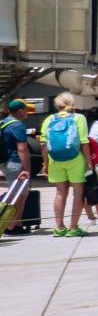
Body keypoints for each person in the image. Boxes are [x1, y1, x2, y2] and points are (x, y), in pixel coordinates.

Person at [43, 92, 89, 238]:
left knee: (60, 193)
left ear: (57, 105)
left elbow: (43, 143)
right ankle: (73, 227)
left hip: (56, 160)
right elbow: (83, 142)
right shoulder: (79, 118)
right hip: (76, 159)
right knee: (78, 193)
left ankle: (59, 227)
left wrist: (46, 163)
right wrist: (89, 162)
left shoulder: (49, 119)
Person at [3, 99, 31, 236]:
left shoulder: (3, 123)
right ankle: (11, 225)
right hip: (15, 163)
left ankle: (15, 224)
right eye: (26, 109)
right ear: (20, 111)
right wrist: (26, 169)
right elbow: (22, 149)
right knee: (17, 196)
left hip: (6, 163)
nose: (27, 112)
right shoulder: (17, 125)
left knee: (18, 194)